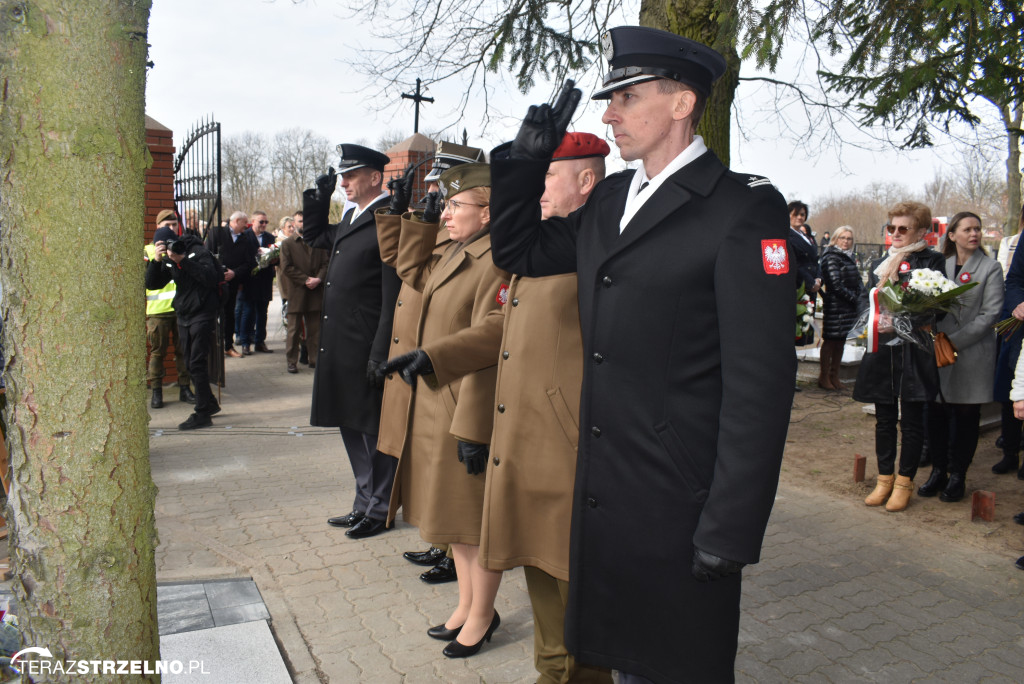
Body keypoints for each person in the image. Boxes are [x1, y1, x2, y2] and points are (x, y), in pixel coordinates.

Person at [489, 26, 795, 683]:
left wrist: (730, 528)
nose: (609, 113)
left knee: (677, 668)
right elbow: (520, 252)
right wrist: (521, 165)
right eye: (610, 98)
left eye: (626, 97)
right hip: (606, 489)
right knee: (624, 663)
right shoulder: (608, 200)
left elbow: (760, 387)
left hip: (680, 499)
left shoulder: (741, 209)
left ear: (682, 103)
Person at [481, 132, 612, 684]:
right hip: (525, 434)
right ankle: (551, 669)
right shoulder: (552, 240)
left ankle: (578, 675)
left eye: (548, 178)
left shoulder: (600, 240)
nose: (538, 192)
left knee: (573, 575)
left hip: (569, 440)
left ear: (586, 180)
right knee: (536, 563)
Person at [378, 163, 511, 659]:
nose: (447, 214)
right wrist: (408, 216)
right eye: (446, 205)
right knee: (451, 520)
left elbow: (493, 341)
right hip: (438, 399)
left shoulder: (496, 259)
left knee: (473, 522)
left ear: (488, 213)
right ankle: (466, 603)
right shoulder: (455, 249)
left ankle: (483, 614)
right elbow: (409, 269)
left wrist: (474, 421)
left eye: (456, 206)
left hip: (466, 404)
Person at [379, 141, 486, 585]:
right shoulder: (448, 224)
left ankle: (452, 553)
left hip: (449, 368)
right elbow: (403, 263)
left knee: (449, 480)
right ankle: (444, 545)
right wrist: (404, 215)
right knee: (432, 473)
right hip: (427, 360)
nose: (437, 197)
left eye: (448, 191)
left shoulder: (476, 239)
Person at [302, 144, 401, 540]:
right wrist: (319, 199)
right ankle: (363, 501)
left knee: (372, 428)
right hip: (339, 340)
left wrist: (381, 351)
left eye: (350, 175)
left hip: (366, 342)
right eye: (341, 176)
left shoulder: (388, 216)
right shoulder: (351, 214)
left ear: (375, 177)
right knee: (348, 422)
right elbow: (314, 235)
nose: (344, 181)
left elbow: (393, 292)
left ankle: (380, 508)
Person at [853, 201, 945, 512]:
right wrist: (871, 319)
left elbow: (937, 306)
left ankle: (904, 482)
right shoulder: (881, 262)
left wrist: (903, 320)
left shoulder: (931, 261)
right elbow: (867, 301)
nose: (895, 233)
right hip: (883, 352)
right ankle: (884, 479)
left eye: (902, 228)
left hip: (914, 351)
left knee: (912, 421)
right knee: (884, 419)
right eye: (891, 228)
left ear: (921, 231)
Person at [918, 212, 1003, 502]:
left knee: (966, 416)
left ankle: (958, 475)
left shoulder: (991, 268)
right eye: (967, 229)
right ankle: (938, 471)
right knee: (937, 413)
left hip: (971, 353)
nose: (974, 234)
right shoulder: (938, 265)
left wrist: (952, 341)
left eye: (977, 229)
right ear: (952, 235)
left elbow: (989, 314)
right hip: (936, 351)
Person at [145, 226, 222, 430]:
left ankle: (202, 413)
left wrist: (183, 261)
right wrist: (157, 261)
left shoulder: (198, 252)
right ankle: (210, 403)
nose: (168, 249)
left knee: (196, 362)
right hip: (184, 314)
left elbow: (212, 278)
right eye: (161, 246)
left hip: (203, 312)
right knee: (189, 362)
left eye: (168, 244)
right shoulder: (167, 260)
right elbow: (153, 284)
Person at [145, 209, 195, 408]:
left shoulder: (182, 248)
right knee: (158, 353)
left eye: (175, 224)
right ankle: (156, 392)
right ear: (158, 227)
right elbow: (146, 282)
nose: (172, 228)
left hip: (181, 309)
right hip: (158, 312)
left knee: (183, 351)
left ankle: (185, 388)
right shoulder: (147, 251)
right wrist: (156, 259)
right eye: (168, 225)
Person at [991, 204, 1024, 476]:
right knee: (1011, 389)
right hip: (1017, 326)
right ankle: (1011, 451)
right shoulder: (1019, 240)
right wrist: (1018, 303)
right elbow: (1013, 280)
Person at [205, 211, 258, 358]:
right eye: (244, 223)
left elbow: (249, 263)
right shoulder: (217, 233)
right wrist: (219, 272)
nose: (246, 226)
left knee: (229, 315)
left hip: (232, 284)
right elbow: (208, 254)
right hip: (214, 283)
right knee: (212, 315)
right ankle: (210, 349)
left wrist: (234, 273)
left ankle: (228, 346)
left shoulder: (246, 239)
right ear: (235, 221)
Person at [278, 214, 327, 374]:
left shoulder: (318, 242)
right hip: (296, 292)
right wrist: (306, 280)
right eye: (300, 221)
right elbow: (286, 267)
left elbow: (326, 263)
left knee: (315, 330)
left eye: (306, 220)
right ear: (293, 223)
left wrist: (318, 279)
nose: (303, 224)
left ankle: (315, 360)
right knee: (293, 331)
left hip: (315, 291)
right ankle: (292, 361)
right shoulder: (287, 244)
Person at [817, 226, 863, 390]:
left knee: (841, 340)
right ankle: (824, 376)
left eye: (849, 238)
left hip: (848, 306)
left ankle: (834, 376)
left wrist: (861, 296)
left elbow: (857, 280)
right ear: (835, 239)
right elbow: (835, 284)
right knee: (830, 340)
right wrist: (855, 299)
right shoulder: (831, 257)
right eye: (842, 238)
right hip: (836, 304)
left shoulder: (848, 257)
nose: (846, 241)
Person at [236, 210, 276, 355]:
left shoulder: (270, 237)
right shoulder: (244, 236)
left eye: (266, 222)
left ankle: (260, 342)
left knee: (262, 313)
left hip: (265, 280)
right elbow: (240, 258)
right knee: (248, 312)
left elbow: (275, 257)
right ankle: (245, 342)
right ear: (252, 222)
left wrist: (272, 259)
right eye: (261, 222)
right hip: (249, 280)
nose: (264, 225)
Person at [788, 201, 821, 347]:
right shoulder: (787, 235)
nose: (799, 217)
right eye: (795, 214)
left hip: (812, 286)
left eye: (802, 214)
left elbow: (815, 260)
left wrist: (819, 278)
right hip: (799, 287)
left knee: (805, 330)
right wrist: (810, 282)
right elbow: (795, 264)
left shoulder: (806, 236)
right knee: (796, 332)